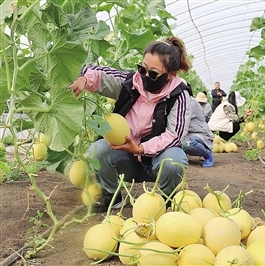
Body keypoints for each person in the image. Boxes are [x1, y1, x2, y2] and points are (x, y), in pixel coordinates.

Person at [68, 36, 192, 213]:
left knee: (175, 160)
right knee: (98, 149)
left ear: (171, 75)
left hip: (157, 158)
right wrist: (84, 79)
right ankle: (113, 196)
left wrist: (141, 148)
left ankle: (165, 201)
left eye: (153, 73)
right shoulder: (130, 82)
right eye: (142, 68)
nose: (145, 76)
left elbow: (174, 136)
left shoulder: (179, 95)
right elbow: (99, 73)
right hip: (126, 157)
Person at [182, 84, 214, 168]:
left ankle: (207, 155)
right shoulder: (183, 101)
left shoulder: (191, 103)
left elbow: (183, 122)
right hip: (189, 134)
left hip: (199, 134)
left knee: (188, 144)